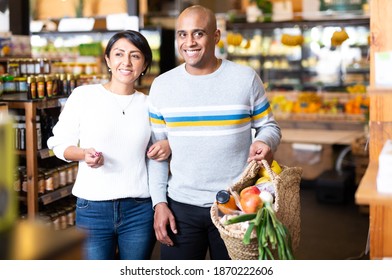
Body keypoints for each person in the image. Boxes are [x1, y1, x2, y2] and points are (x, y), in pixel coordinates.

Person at [147, 5, 282, 260]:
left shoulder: (245, 78)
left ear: (216, 36)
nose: (189, 42)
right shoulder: (162, 86)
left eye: (198, 33)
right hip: (181, 209)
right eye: (182, 34)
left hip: (237, 205)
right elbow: (157, 153)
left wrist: (265, 140)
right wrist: (159, 203)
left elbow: (269, 125)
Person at [47, 30, 171, 260]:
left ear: (144, 64)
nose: (126, 62)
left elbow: (157, 154)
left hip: (139, 210)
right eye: (119, 54)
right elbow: (59, 143)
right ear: (108, 60)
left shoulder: (150, 104)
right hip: (93, 209)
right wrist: (83, 154)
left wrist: (167, 145)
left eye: (135, 56)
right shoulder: (84, 96)